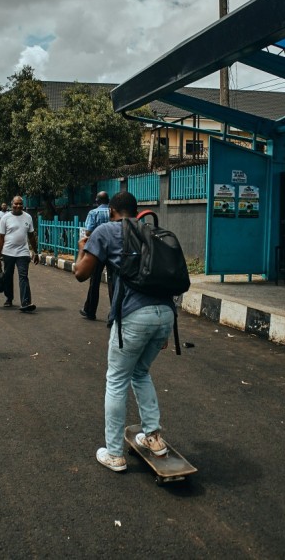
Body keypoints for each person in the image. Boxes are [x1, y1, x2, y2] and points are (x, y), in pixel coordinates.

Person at [73, 191, 176, 472]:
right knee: (140, 373)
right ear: (136, 210)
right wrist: (163, 330)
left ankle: (115, 454)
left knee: (117, 380)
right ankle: (153, 438)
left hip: (134, 314)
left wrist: (83, 247)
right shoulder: (150, 231)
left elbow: (81, 273)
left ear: (111, 211)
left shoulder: (106, 230)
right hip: (166, 314)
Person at [0, 196, 38, 312]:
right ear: (11, 204)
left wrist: (36, 252)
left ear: (23, 205)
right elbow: (1, 238)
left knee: (23, 276)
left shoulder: (28, 217)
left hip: (23, 252)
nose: (18, 206)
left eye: (20, 204)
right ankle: (9, 298)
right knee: (8, 276)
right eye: (16, 204)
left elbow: (31, 236)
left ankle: (25, 302)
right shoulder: (5, 218)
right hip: (8, 252)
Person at [79, 191, 114, 320]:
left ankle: (90, 310)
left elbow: (88, 231)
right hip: (112, 248)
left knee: (95, 281)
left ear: (97, 201)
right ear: (108, 200)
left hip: (98, 250)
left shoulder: (93, 213)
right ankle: (114, 313)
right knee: (113, 281)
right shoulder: (112, 211)